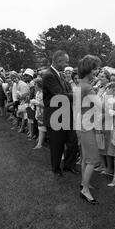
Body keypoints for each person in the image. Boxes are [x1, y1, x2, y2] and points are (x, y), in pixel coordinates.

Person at [42, 50, 79, 179]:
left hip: (66, 114)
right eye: (66, 61)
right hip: (55, 116)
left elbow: (68, 90)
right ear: (58, 61)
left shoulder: (61, 75)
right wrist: (78, 96)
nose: (67, 64)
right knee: (57, 144)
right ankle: (56, 168)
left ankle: (69, 165)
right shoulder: (49, 75)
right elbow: (60, 95)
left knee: (73, 141)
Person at [76, 55, 102, 204]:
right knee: (92, 159)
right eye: (95, 68)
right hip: (87, 125)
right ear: (88, 69)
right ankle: (85, 190)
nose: (97, 71)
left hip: (81, 123)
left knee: (86, 157)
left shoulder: (81, 84)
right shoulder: (87, 87)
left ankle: (84, 183)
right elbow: (100, 105)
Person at [30, 79, 46, 149]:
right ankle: (40, 142)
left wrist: (36, 102)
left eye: (35, 85)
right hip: (39, 112)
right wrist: (33, 104)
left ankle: (40, 143)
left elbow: (45, 104)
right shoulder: (38, 93)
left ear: (39, 85)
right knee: (40, 127)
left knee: (42, 128)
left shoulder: (43, 93)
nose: (34, 86)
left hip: (43, 112)